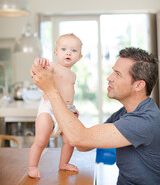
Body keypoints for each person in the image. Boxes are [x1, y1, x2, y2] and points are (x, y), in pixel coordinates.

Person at [31, 47, 160, 185]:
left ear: (139, 85)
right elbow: (84, 145)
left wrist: (51, 89)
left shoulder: (144, 120)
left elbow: (79, 139)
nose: (109, 77)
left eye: (117, 74)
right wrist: (68, 117)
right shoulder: (126, 113)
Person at [28, 33, 82, 178]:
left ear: (80, 57)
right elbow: (37, 69)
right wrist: (39, 63)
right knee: (41, 140)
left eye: (74, 50)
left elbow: (69, 95)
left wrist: (73, 109)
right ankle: (32, 166)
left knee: (70, 141)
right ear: (56, 53)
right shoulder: (52, 67)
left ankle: (63, 163)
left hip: (66, 111)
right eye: (64, 49)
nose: (69, 53)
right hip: (49, 110)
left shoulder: (73, 75)